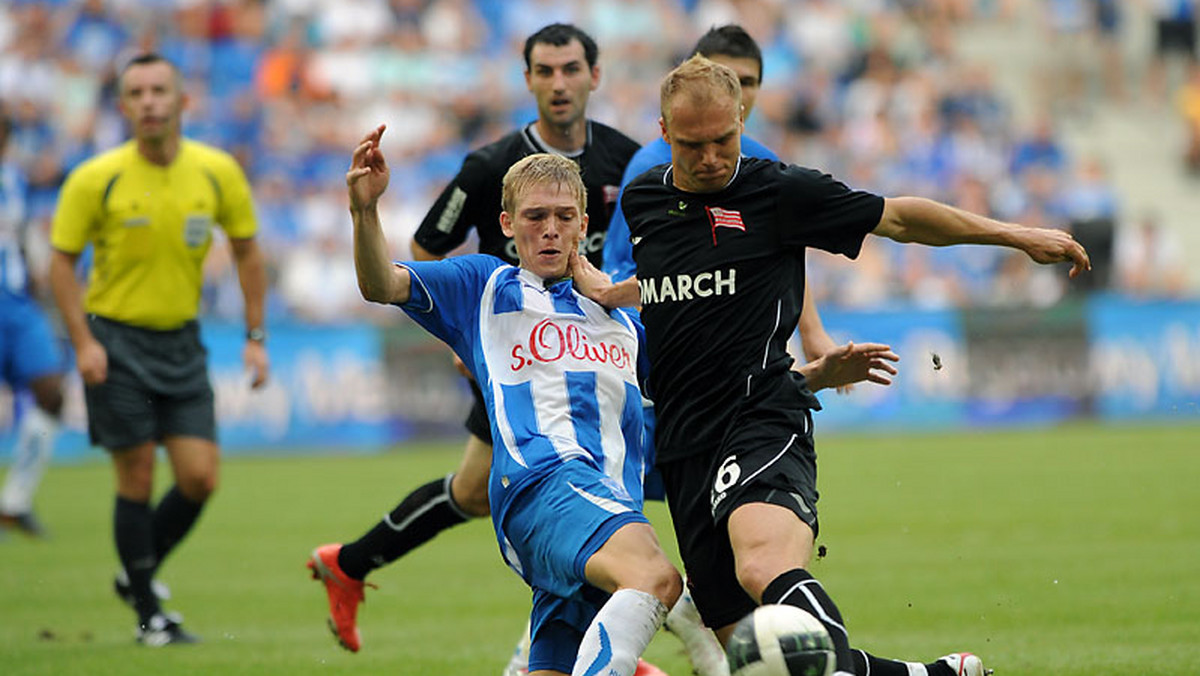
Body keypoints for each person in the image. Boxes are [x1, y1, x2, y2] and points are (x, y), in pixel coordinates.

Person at [572, 55, 1090, 676]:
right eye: (691, 145)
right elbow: (671, 282)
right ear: (662, 130)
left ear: (741, 119)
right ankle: (930, 675)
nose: (710, 157)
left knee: (763, 568)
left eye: (723, 140)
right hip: (683, 441)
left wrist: (1015, 236)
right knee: (749, 641)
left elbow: (899, 217)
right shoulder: (643, 199)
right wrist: (612, 292)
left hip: (760, 412)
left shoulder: (779, 191)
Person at [307, 22, 640, 655]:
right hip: (517, 351)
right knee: (554, 493)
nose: (559, 83)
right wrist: (467, 341)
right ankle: (622, 628)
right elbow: (424, 251)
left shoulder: (626, 161)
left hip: (597, 346)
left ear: (595, 76)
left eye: (571, 69)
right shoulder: (491, 166)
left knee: (478, 492)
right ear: (528, 81)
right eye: (546, 71)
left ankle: (352, 563)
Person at [341, 131, 681, 676]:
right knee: (657, 579)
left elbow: (703, 385)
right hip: (543, 485)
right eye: (535, 216)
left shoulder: (620, 313)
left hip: (606, 504)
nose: (550, 230)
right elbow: (381, 284)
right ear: (506, 225)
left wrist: (810, 380)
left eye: (565, 216)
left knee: (555, 664)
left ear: (584, 224)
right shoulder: (482, 284)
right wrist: (365, 212)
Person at [48, 53, 269, 646]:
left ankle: (135, 569)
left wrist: (254, 337)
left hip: (182, 341)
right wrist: (83, 342)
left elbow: (248, 250)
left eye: (158, 91)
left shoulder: (217, 172)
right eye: (136, 93)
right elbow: (61, 266)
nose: (148, 101)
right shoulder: (96, 178)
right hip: (115, 342)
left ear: (182, 102)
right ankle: (150, 615)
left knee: (200, 478)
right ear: (123, 107)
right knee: (138, 475)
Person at [0, 111, 66, 539]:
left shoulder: (12, 179)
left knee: (51, 392)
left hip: (16, 305)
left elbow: (21, 236)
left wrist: (39, 273)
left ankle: (14, 501)